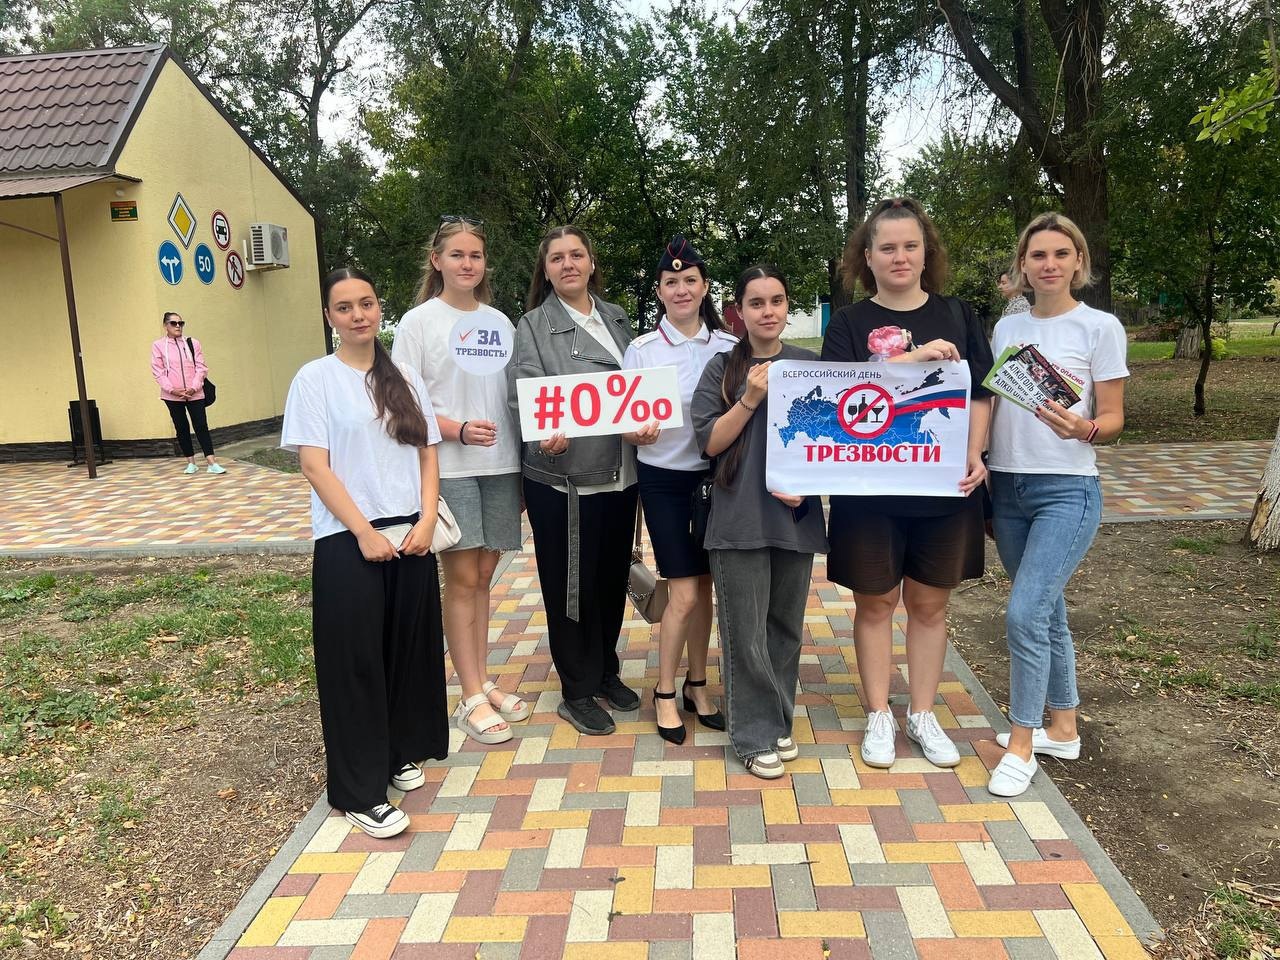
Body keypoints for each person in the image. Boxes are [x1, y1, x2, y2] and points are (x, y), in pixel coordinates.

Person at [821, 197, 993, 771]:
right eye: (887, 247)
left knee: (928, 604)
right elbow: (842, 396)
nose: (900, 256)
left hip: (945, 489)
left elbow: (980, 393)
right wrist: (914, 359)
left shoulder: (959, 315)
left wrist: (974, 453)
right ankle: (878, 713)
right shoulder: (847, 324)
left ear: (927, 253)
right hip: (869, 491)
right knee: (875, 603)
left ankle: (922, 714)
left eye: (910, 246)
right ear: (866, 257)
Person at [281, 266, 448, 839]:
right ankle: (357, 790)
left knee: (406, 653)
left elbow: (428, 452)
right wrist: (362, 532)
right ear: (329, 317)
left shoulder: (402, 374)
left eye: (367, 303)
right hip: (348, 537)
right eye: (345, 307)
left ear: (381, 309)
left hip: (411, 534)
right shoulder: (315, 379)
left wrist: (426, 519)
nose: (358, 315)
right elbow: (314, 464)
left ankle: (398, 750)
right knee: (354, 663)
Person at [986, 213, 1127, 797]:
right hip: (1008, 486)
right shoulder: (1004, 330)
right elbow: (989, 407)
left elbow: (1116, 420)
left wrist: (1084, 428)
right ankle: (1063, 727)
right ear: (1023, 264)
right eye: (1038, 255)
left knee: (1023, 613)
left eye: (1060, 254)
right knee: (1047, 613)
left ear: (1078, 262)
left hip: (1067, 489)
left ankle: (1022, 742)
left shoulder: (1099, 327)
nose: (1048, 264)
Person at [392, 217, 527, 746]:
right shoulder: (418, 323)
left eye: (475, 256)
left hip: (503, 466)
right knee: (463, 578)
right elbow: (402, 402)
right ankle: (470, 694)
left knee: (485, 574)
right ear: (437, 261)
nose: (467, 264)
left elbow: (516, 396)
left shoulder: (501, 321)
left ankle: (482, 678)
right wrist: (455, 429)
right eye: (457, 255)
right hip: (449, 468)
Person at [691, 264, 828, 779]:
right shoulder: (721, 370)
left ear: (786, 307)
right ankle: (750, 736)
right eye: (756, 303)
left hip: (795, 517)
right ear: (739, 311)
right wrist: (749, 398)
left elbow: (840, 438)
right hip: (739, 517)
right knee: (744, 631)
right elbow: (709, 442)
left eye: (776, 301)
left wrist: (919, 357)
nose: (768, 311)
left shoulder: (811, 365)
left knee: (785, 628)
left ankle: (776, 723)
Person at [507, 225, 640, 736]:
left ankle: (605, 669)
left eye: (576, 255)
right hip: (564, 479)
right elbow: (524, 393)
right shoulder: (534, 325)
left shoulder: (618, 318)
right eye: (557, 258)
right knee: (570, 585)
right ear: (546, 270)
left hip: (620, 474)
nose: (568, 264)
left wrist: (647, 423)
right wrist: (544, 435)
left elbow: (636, 388)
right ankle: (577, 688)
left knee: (609, 579)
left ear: (591, 262)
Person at [622, 236, 736, 744]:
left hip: (716, 480)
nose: (682, 289)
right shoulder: (642, 350)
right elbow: (623, 419)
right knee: (683, 592)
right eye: (672, 282)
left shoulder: (730, 347)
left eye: (691, 280)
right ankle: (664, 692)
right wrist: (634, 431)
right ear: (660, 291)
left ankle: (697, 684)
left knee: (705, 587)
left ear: (704, 286)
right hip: (665, 479)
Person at [150, 312, 225, 474]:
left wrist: (194, 387)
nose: (178, 326)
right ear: (165, 326)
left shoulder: (193, 343)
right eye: (173, 323)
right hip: (172, 395)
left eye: (180, 323)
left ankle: (211, 462)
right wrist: (172, 390)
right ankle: (191, 462)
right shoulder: (158, 345)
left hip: (195, 393)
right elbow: (158, 371)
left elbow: (201, 367)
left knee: (201, 425)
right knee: (181, 427)